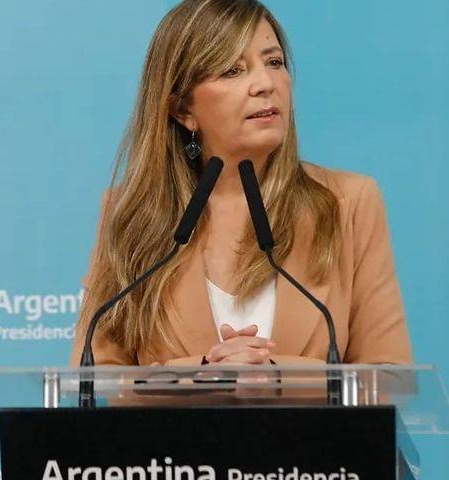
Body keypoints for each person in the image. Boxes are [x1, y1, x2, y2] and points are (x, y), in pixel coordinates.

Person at [69, 0, 412, 367]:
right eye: (233, 70)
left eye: (274, 62)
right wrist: (203, 373)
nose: (265, 84)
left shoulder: (348, 203)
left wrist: (276, 373)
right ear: (183, 110)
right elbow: (95, 378)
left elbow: (388, 378)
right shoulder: (130, 216)